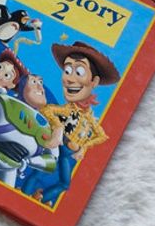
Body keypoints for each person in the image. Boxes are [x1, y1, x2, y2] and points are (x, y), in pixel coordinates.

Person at [22, 41, 120, 204]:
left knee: (65, 183)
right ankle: (23, 194)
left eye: (79, 71)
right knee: (40, 171)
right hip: (58, 145)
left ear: (94, 82)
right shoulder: (69, 109)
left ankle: (42, 198)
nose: (69, 79)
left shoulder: (89, 116)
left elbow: (102, 135)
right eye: (67, 70)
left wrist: (83, 146)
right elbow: (47, 110)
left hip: (68, 152)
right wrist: (58, 128)